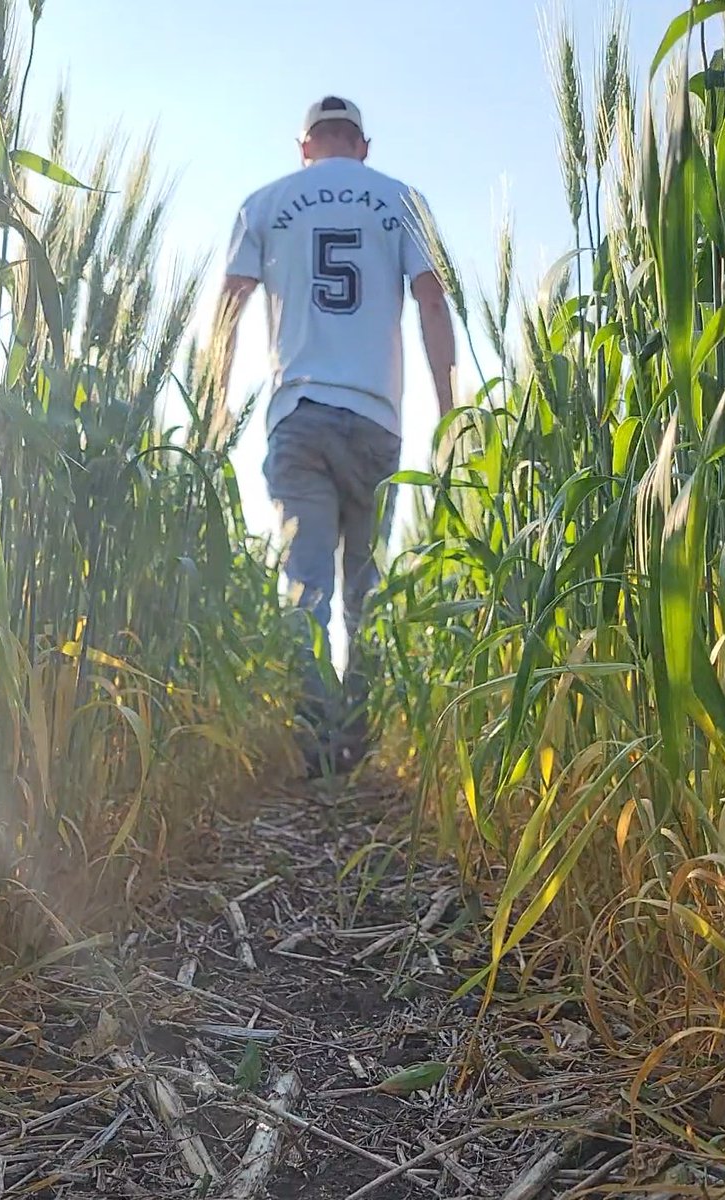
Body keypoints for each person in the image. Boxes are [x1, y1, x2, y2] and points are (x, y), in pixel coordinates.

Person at [213, 95, 455, 774]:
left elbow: (229, 305)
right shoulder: (401, 198)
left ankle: (311, 743)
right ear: (363, 146)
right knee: (366, 589)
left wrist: (212, 406)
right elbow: (433, 299)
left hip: (300, 414)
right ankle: (356, 740)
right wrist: (450, 408)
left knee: (306, 585)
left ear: (305, 146)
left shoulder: (264, 203)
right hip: (377, 421)